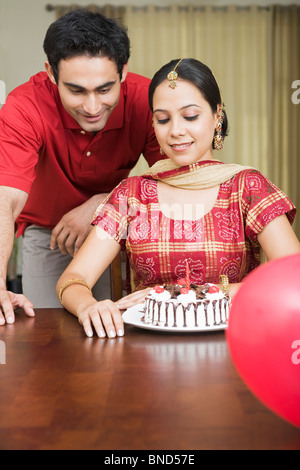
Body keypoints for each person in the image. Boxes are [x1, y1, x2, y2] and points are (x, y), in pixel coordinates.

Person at [56, 58, 300, 338]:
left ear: (216, 115)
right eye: (162, 119)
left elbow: (291, 277)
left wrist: (182, 293)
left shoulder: (247, 188)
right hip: (145, 350)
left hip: (235, 343)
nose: (175, 131)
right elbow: (73, 279)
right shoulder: (132, 194)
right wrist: (88, 305)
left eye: (190, 116)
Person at [0, 9, 162, 324]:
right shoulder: (23, 107)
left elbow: (177, 176)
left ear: (124, 71)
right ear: (50, 72)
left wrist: (104, 201)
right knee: (50, 335)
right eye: (76, 91)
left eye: (105, 89)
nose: (91, 107)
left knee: (121, 334)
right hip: (49, 236)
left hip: (119, 231)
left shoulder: (148, 99)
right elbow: (5, 199)